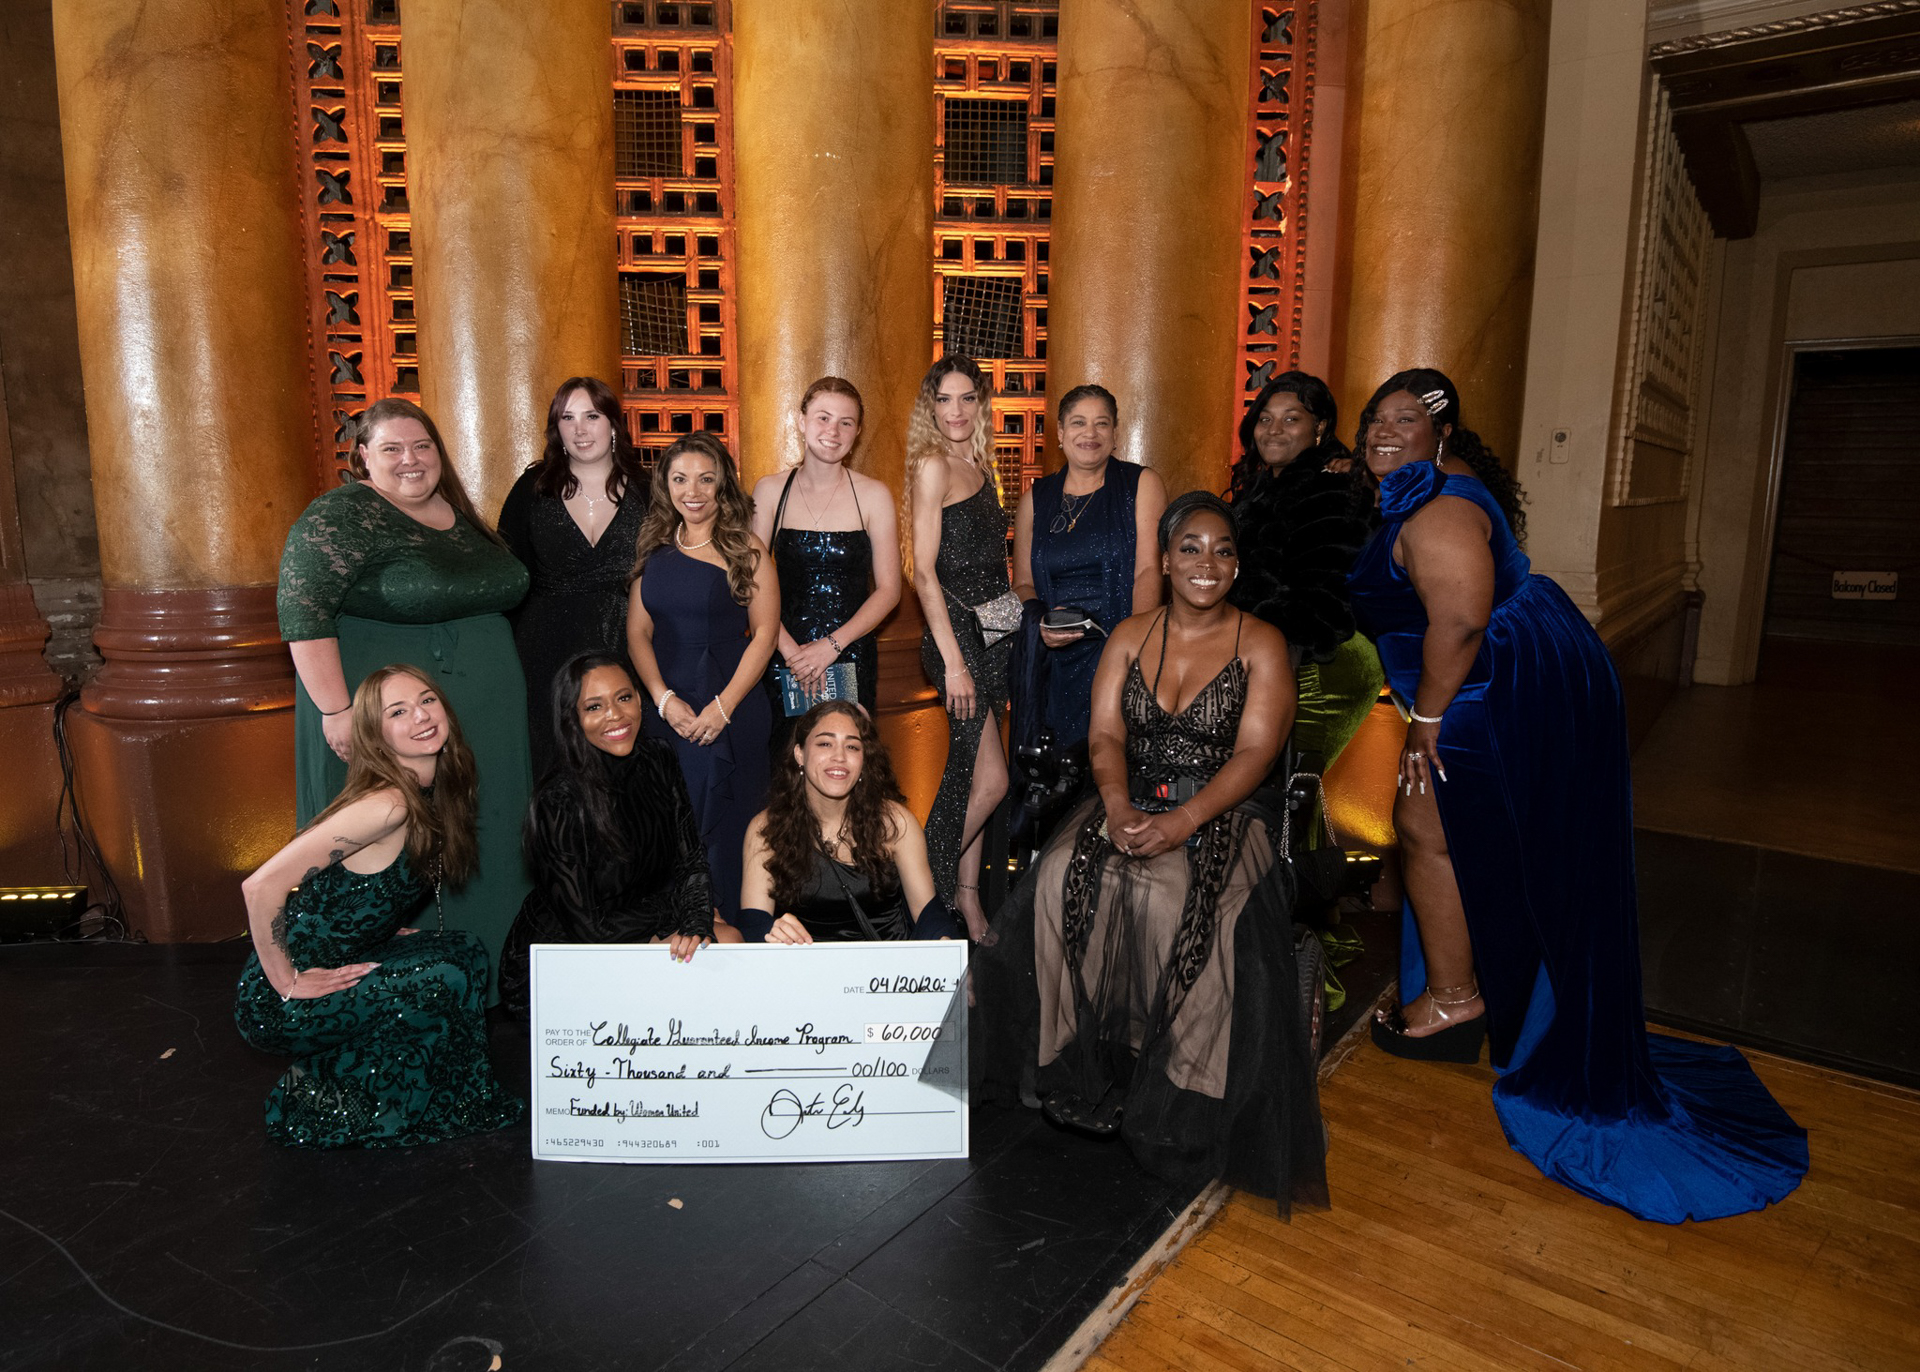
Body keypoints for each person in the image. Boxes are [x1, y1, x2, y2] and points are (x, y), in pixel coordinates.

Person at [1346, 367, 1807, 1223]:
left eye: (1405, 419)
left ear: (1440, 433)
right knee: (1458, 834)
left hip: (1478, 690)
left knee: (1426, 824)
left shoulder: (1437, 507)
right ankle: (1477, 992)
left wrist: (1428, 722)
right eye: (1375, 418)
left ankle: (1456, 1000)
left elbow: (1458, 620)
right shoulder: (1439, 488)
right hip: (1512, 675)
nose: (1383, 431)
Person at [981, 493, 1328, 1212]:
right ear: (1165, 561)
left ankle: (1183, 1092)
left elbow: (1258, 753)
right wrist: (1115, 806)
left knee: (1177, 897)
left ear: (1237, 565)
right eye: (1192, 548)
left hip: (1225, 805)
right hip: (1130, 795)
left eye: (1224, 549)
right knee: (1052, 883)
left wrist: (1184, 821)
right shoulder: (1131, 634)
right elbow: (1105, 737)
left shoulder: (1260, 641)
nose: (1208, 562)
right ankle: (1069, 1057)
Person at [278, 398, 532, 995]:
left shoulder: (459, 512)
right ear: (363, 457)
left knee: (484, 829)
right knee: (398, 839)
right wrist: (337, 710)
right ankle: (390, 988)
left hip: (481, 715)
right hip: (386, 714)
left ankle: (488, 974)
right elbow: (301, 610)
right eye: (391, 448)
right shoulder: (343, 514)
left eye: (422, 446)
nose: (411, 460)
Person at [234, 665, 523, 1147]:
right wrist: (287, 981)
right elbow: (259, 886)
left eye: (427, 700)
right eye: (398, 711)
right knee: (446, 973)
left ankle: (433, 1096)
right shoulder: (389, 804)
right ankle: (369, 1107)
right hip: (277, 1001)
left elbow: (353, 899)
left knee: (466, 950)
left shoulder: (428, 793)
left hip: (341, 961)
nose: (422, 716)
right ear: (376, 734)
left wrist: (375, 932)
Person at [497, 653, 733, 1015]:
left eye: (624, 697)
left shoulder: (658, 758)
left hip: (635, 921)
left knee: (724, 942)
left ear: (640, 699)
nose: (616, 715)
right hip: (569, 952)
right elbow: (589, 930)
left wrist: (695, 922)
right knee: (701, 959)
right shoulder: (559, 800)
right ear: (573, 719)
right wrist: (672, 918)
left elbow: (690, 859)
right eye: (595, 706)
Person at [627, 432, 778, 926]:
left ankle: (740, 939)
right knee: (675, 825)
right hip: (669, 709)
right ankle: (680, 943)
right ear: (665, 485)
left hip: (735, 706)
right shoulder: (652, 548)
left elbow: (765, 635)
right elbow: (638, 634)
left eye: (706, 478)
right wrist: (662, 699)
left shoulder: (748, 548)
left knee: (733, 827)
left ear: (722, 485)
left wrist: (724, 706)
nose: (693, 490)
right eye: (680, 478)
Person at [1010, 385, 1167, 842]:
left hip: (1122, 649)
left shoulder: (1141, 485)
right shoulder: (1035, 500)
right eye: (1078, 422)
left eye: (1102, 423)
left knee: (1115, 771)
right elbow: (1022, 583)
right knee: (1058, 784)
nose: (1090, 433)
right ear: (1058, 433)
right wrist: (1038, 623)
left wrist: (1131, 650)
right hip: (1056, 660)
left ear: (1115, 434)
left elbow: (1146, 571)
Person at [904, 356, 1014, 939]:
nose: (955, 411)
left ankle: (967, 902)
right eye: (943, 400)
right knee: (991, 782)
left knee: (973, 777)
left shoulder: (982, 464)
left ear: (982, 403)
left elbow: (993, 570)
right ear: (930, 405)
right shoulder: (933, 467)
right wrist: (953, 664)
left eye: (967, 398)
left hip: (995, 637)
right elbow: (924, 574)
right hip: (957, 643)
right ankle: (919, 896)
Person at [1227, 371, 1383, 770]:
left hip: (1318, 665)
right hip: (1272, 655)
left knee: (1286, 798)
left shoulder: (1332, 486)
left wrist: (1235, 643)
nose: (1274, 429)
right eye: (1265, 418)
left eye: (1291, 418)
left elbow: (1320, 602)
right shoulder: (1262, 487)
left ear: (1321, 427)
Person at [497, 376, 649, 777]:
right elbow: (508, 572)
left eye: (592, 416)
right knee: (551, 764)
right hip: (545, 648)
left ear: (614, 424)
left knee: (626, 770)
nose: (580, 429)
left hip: (625, 643)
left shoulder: (648, 489)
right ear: (556, 429)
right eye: (568, 418)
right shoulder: (533, 487)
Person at [749, 376, 900, 749]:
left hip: (849, 653)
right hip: (783, 652)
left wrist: (831, 646)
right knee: (788, 761)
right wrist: (789, 652)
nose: (833, 431)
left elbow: (889, 590)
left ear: (857, 431)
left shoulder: (874, 495)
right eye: (822, 417)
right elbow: (748, 581)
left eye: (845, 422)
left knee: (844, 758)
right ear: (801, 421)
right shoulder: (769, 491)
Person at [738, 701, 953, 943]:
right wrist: (771, 930)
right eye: (825, 743)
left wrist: (943, 941)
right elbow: (752, 922)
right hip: (806, 973)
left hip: (885, 974)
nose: (839, 756)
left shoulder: (894, 823)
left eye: (852, 747)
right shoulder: (766, 829)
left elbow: (928, 913)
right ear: (800, 754)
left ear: (864, 760)